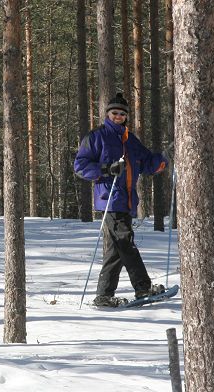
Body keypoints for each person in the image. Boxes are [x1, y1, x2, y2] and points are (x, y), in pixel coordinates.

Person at [74, 93, 168, 307]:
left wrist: (164, 159)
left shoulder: (130, 140)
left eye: (122, 114)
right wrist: (106, 169)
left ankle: (104, 295)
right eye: (114, 113)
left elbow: (146, 164)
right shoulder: (97, 136)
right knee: (125, 242)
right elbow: (80, 166)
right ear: (108, 114)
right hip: (109, 198)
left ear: (126, 117)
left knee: (117, 249)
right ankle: (143, 287)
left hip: (127, 200)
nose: (118, 116)